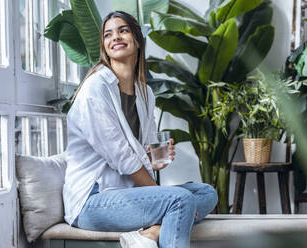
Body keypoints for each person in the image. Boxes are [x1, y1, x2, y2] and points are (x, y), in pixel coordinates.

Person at [63, 10, 218, 248]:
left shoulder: (145, 94)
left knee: (207, 193)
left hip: (126, 195)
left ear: (137, 40)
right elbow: (124, 159)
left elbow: (140, 152)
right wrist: (162, 198)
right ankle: (156, 225)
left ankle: (149, 235)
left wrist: (153, 160)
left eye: (123, 30)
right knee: (180, 200)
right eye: (108, 34)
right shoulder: (96, 88)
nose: (115, 37)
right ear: (104, 46)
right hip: (91, 201)